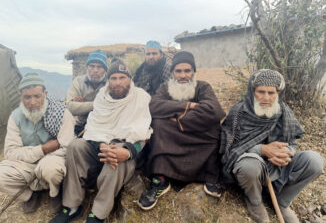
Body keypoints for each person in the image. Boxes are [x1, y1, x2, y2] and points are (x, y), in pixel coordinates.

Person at [50, 59, 153, 223]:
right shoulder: (102, 97)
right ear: (109, 80)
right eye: (113, 78)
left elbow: (144, 135)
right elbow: (93, 129)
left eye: (122, 78)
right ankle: (72, 207)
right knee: (75, 146)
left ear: (130, 80)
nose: (117, 82)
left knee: (115, 154)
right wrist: (100, 144)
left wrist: (127, 152)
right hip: (100, 146)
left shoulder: (140, 98)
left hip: (127, 151)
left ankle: (98, 214)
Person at [220, 69, 324, 223]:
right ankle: (254, 200)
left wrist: (285, 152)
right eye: (261, 92)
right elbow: (228, 151)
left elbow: (292, 143)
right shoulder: (239, 113)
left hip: (278, 167)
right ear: (252, 91)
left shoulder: (283, 112)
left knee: (315, 161)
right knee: (249, 166)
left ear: (278, 93)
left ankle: (282, 201)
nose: (266, 98)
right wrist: (262, 150)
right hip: (252, 168)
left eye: (271, 93)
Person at [137, 51, 226, 210]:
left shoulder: (203, 87)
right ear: (172, 73)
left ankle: (209, 177)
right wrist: (189, 106)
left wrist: (179, 119)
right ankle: (161, 179)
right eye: (178, 71)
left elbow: (214, 111)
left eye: (187, 71)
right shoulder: (165, 87)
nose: (183, 75)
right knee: (158, 124)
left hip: (198, 138)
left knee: (214, 127)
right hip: (172, 136)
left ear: (193, 72)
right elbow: (153, 106)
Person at [0, 73, 75, 214]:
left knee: (50, 168)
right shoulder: (16, 117)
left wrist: (46, 158)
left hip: (54, 159)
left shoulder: (62, 113)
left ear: (45, 94)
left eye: (37, 96)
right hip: (27, 163)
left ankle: (55, 193)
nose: (32, 102)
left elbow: (67, 147)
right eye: (27, 97)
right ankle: (29, 195)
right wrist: (42, 149)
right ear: (20, 96)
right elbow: (10, 152)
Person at [66, 49, 108, 135]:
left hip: (103, 126)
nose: (95, 70)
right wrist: (97, 104)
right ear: (87, 67)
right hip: (81, 125)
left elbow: (111, 107)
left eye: (99, 67)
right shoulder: (78, 81)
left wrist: (83, 105)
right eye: (92, 66)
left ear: (105, 69)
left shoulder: (110, 84)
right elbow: (70, 107)